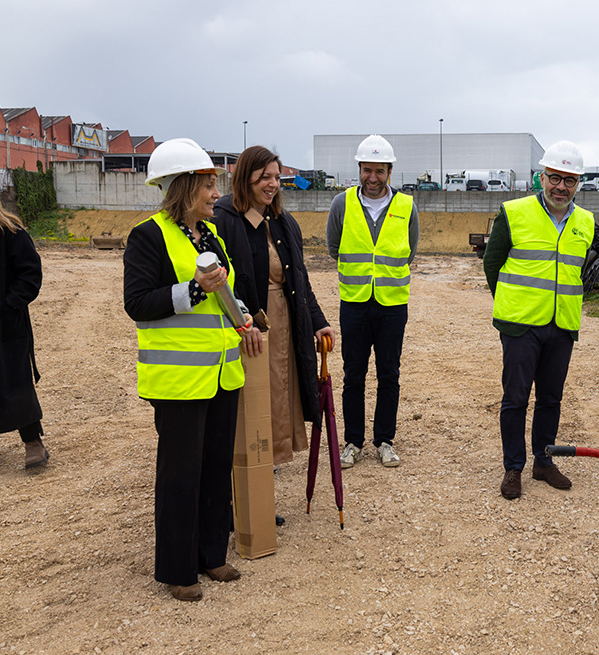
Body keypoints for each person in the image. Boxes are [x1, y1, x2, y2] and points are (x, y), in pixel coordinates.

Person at [123, 138, 252, 602]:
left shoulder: (210, 237)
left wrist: (242, 316)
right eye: (208, 183)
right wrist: (194, 290)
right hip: (178, 381)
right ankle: (179, 570)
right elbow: (137, 304)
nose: (215, 192)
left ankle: (212, 555)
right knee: (180, 473)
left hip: (221, 373)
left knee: (217, 466)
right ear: (184, 186)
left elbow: (222, 294)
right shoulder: (148, 237)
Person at [213, 146, 334, 494]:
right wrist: (242, 324)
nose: (272, 184)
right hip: (245, 331)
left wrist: (318, 321)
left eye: (276, 177)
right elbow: (220, 286)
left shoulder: (283, 221)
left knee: (277, 398)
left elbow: (300, 278)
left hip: (283, 326)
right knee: (247, 407)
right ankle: (240, 494)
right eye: (264, 177)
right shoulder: (223, 218)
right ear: (245, 178)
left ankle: (259, 482)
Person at [483, 141, 595, 500]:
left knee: (551, 398)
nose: (561, 187)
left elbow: (579, 270)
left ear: (579, 183)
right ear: (541, 177)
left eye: (570, 180)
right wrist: (510, 303)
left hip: (562, 324)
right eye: (555, 178)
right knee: (515, 398)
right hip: (520, 325)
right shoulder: (513, 212)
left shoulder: (586, 222)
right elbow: (492, 264)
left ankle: (543, 462)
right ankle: (513, 466)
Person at [325, 135, 419, 469]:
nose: (373, 177)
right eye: (367, 170)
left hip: (393, 305)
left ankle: (385, 440)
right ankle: (353, 441)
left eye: (379, 171)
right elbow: (334, 247)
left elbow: (410, 250)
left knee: (389, 374)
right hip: (354, 303)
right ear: (359, 169)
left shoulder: (406, 206)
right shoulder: (342, 203)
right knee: (354, 375)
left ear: (390, 171)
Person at [0, 191, 50, 470]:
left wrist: (9, 306)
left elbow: (30, 274)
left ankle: (32, 442)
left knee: (16, 383)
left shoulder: (11, 234)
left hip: (5, 325)